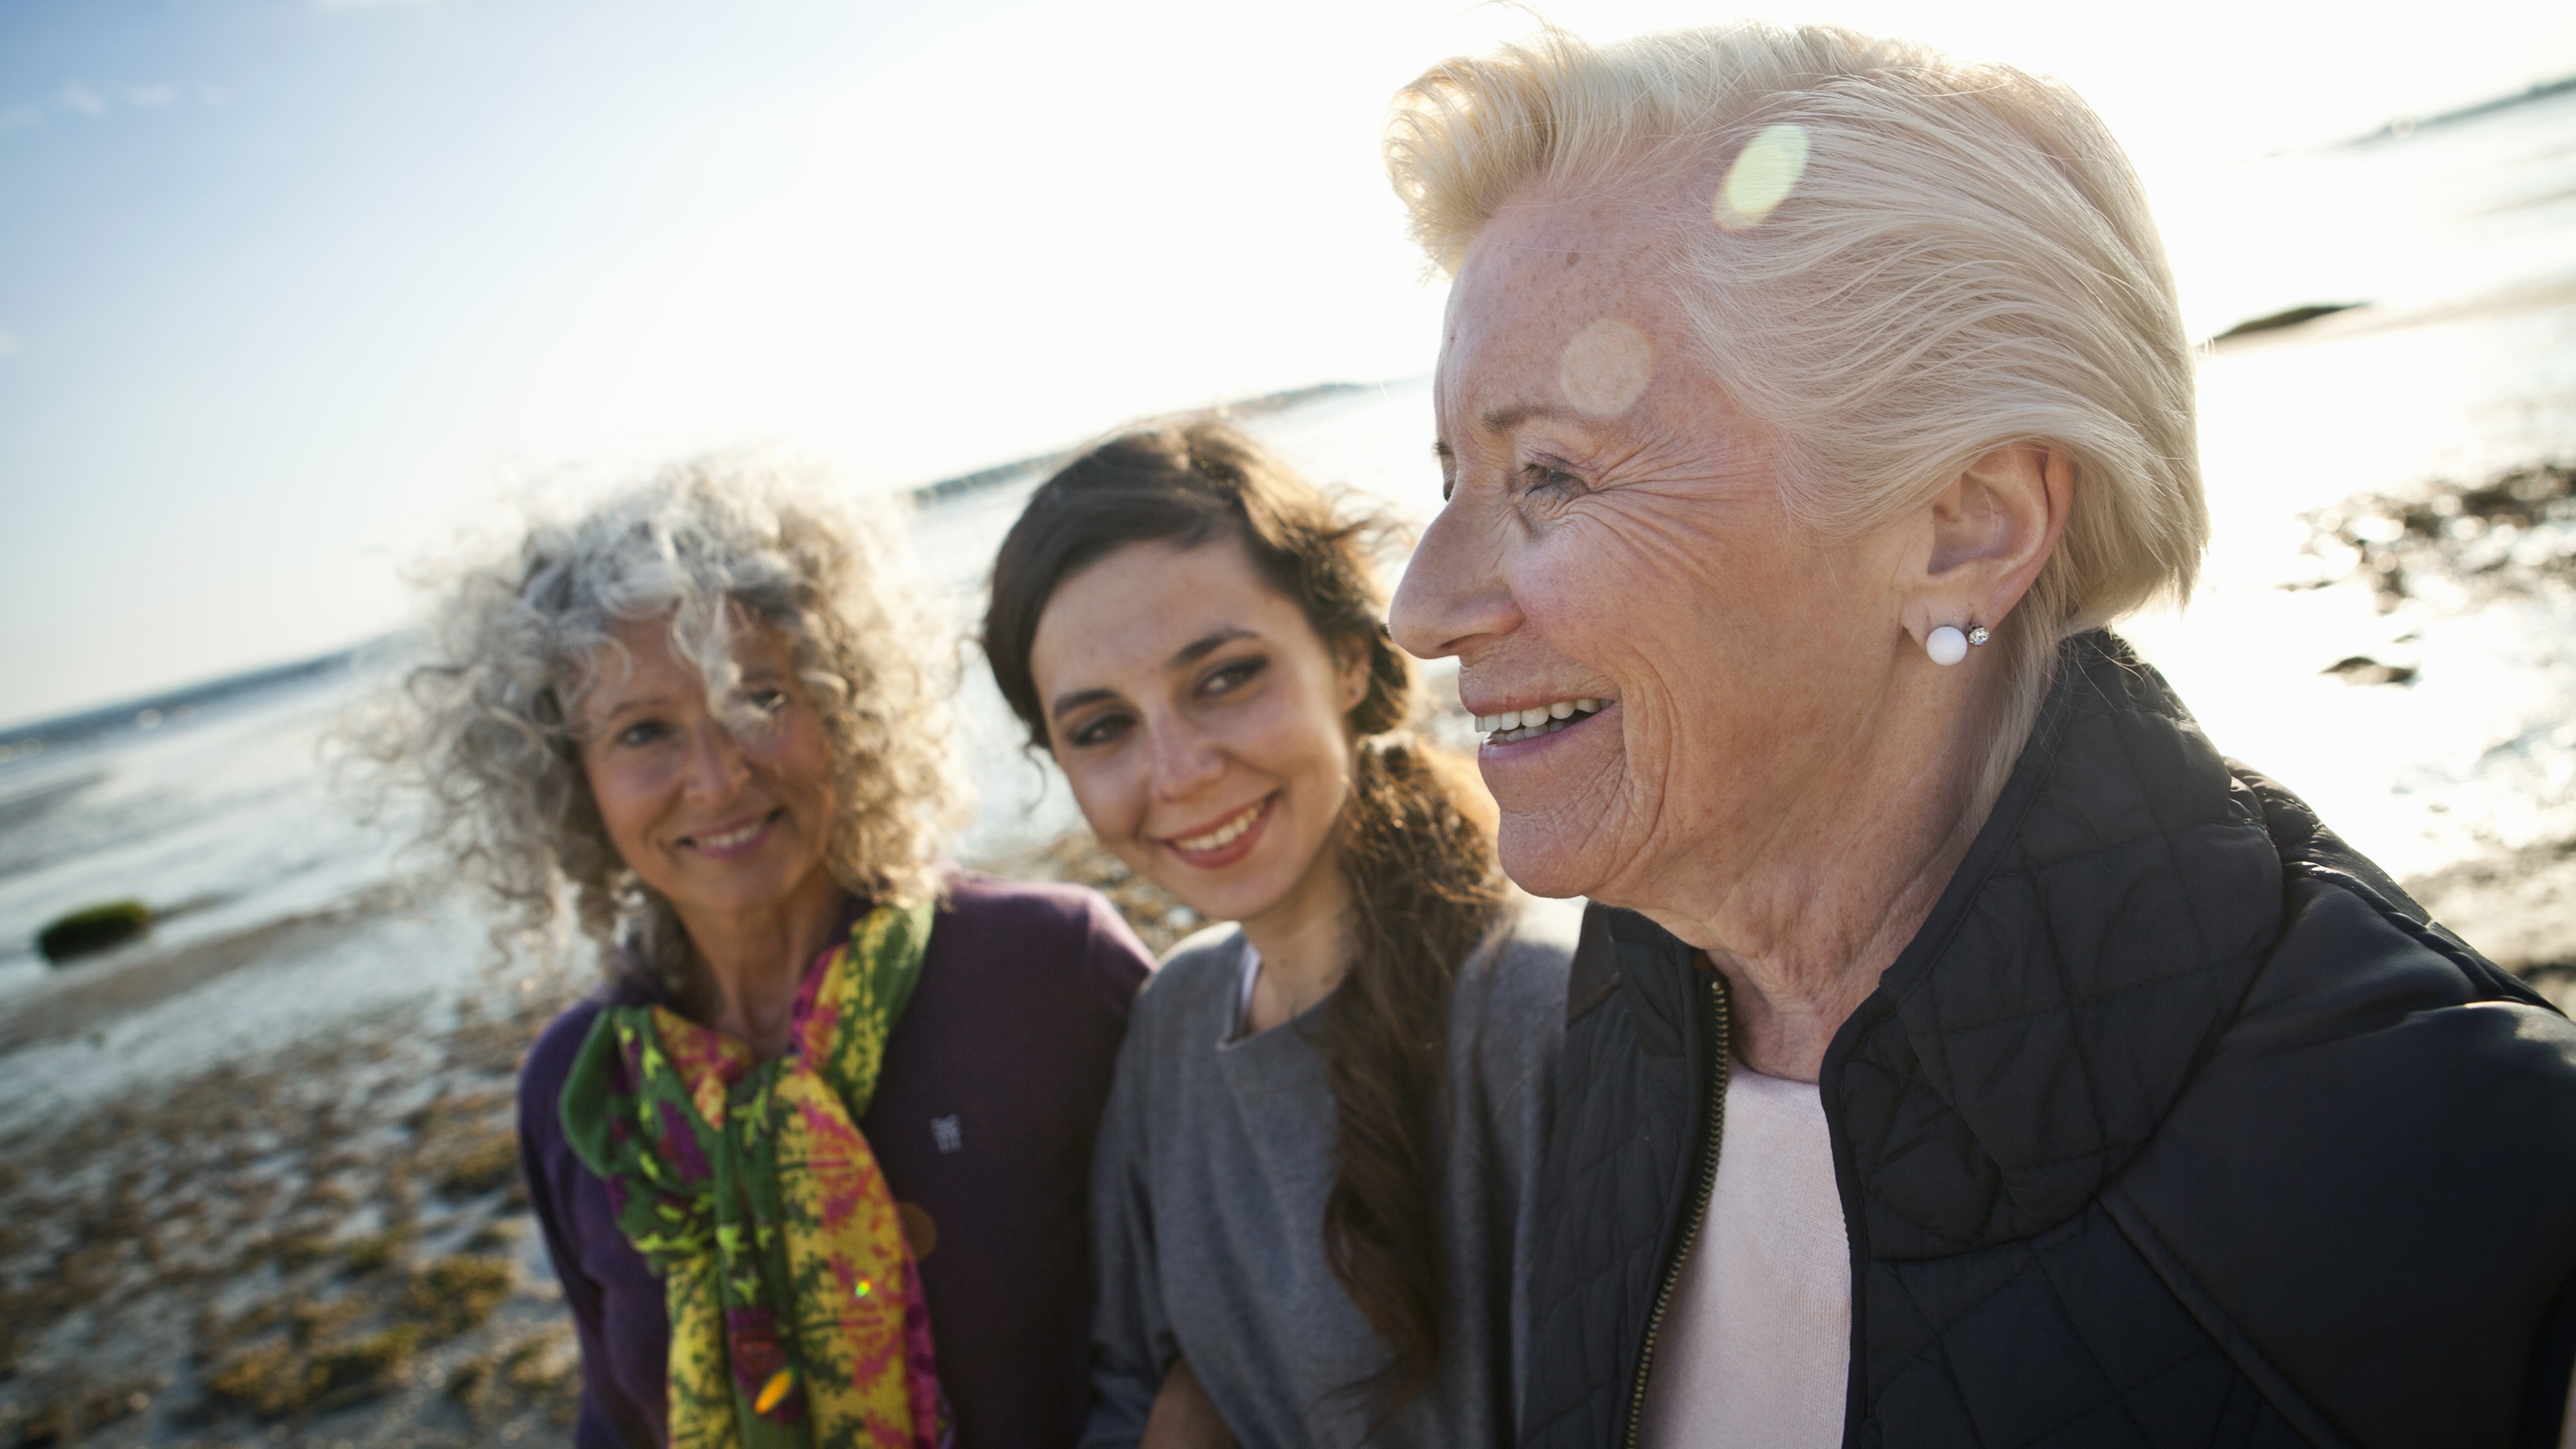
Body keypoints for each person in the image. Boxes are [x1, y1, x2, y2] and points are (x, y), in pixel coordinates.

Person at [1379, 23, 2576, 1449]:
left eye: (1550, 477)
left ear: (1969, 526)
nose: (1421, 607)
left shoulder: (2477, 1181)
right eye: (1449, 474)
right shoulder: (1635, 1017)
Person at [366, 457, 1152, 1448]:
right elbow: (614, 1423)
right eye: (644, 731)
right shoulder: (582, 1093)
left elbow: (1213, 1326)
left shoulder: (1047, 968)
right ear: (569, 780)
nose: (716, 776)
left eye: (762, 699)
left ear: (843, 704)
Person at [980, 420, 1578, 1449]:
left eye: (1223, 678)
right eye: (1101, 727)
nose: (1176, 772)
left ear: (1348, 661)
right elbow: (1129, 1383)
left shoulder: (1533, 1010)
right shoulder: (1172, 1021)